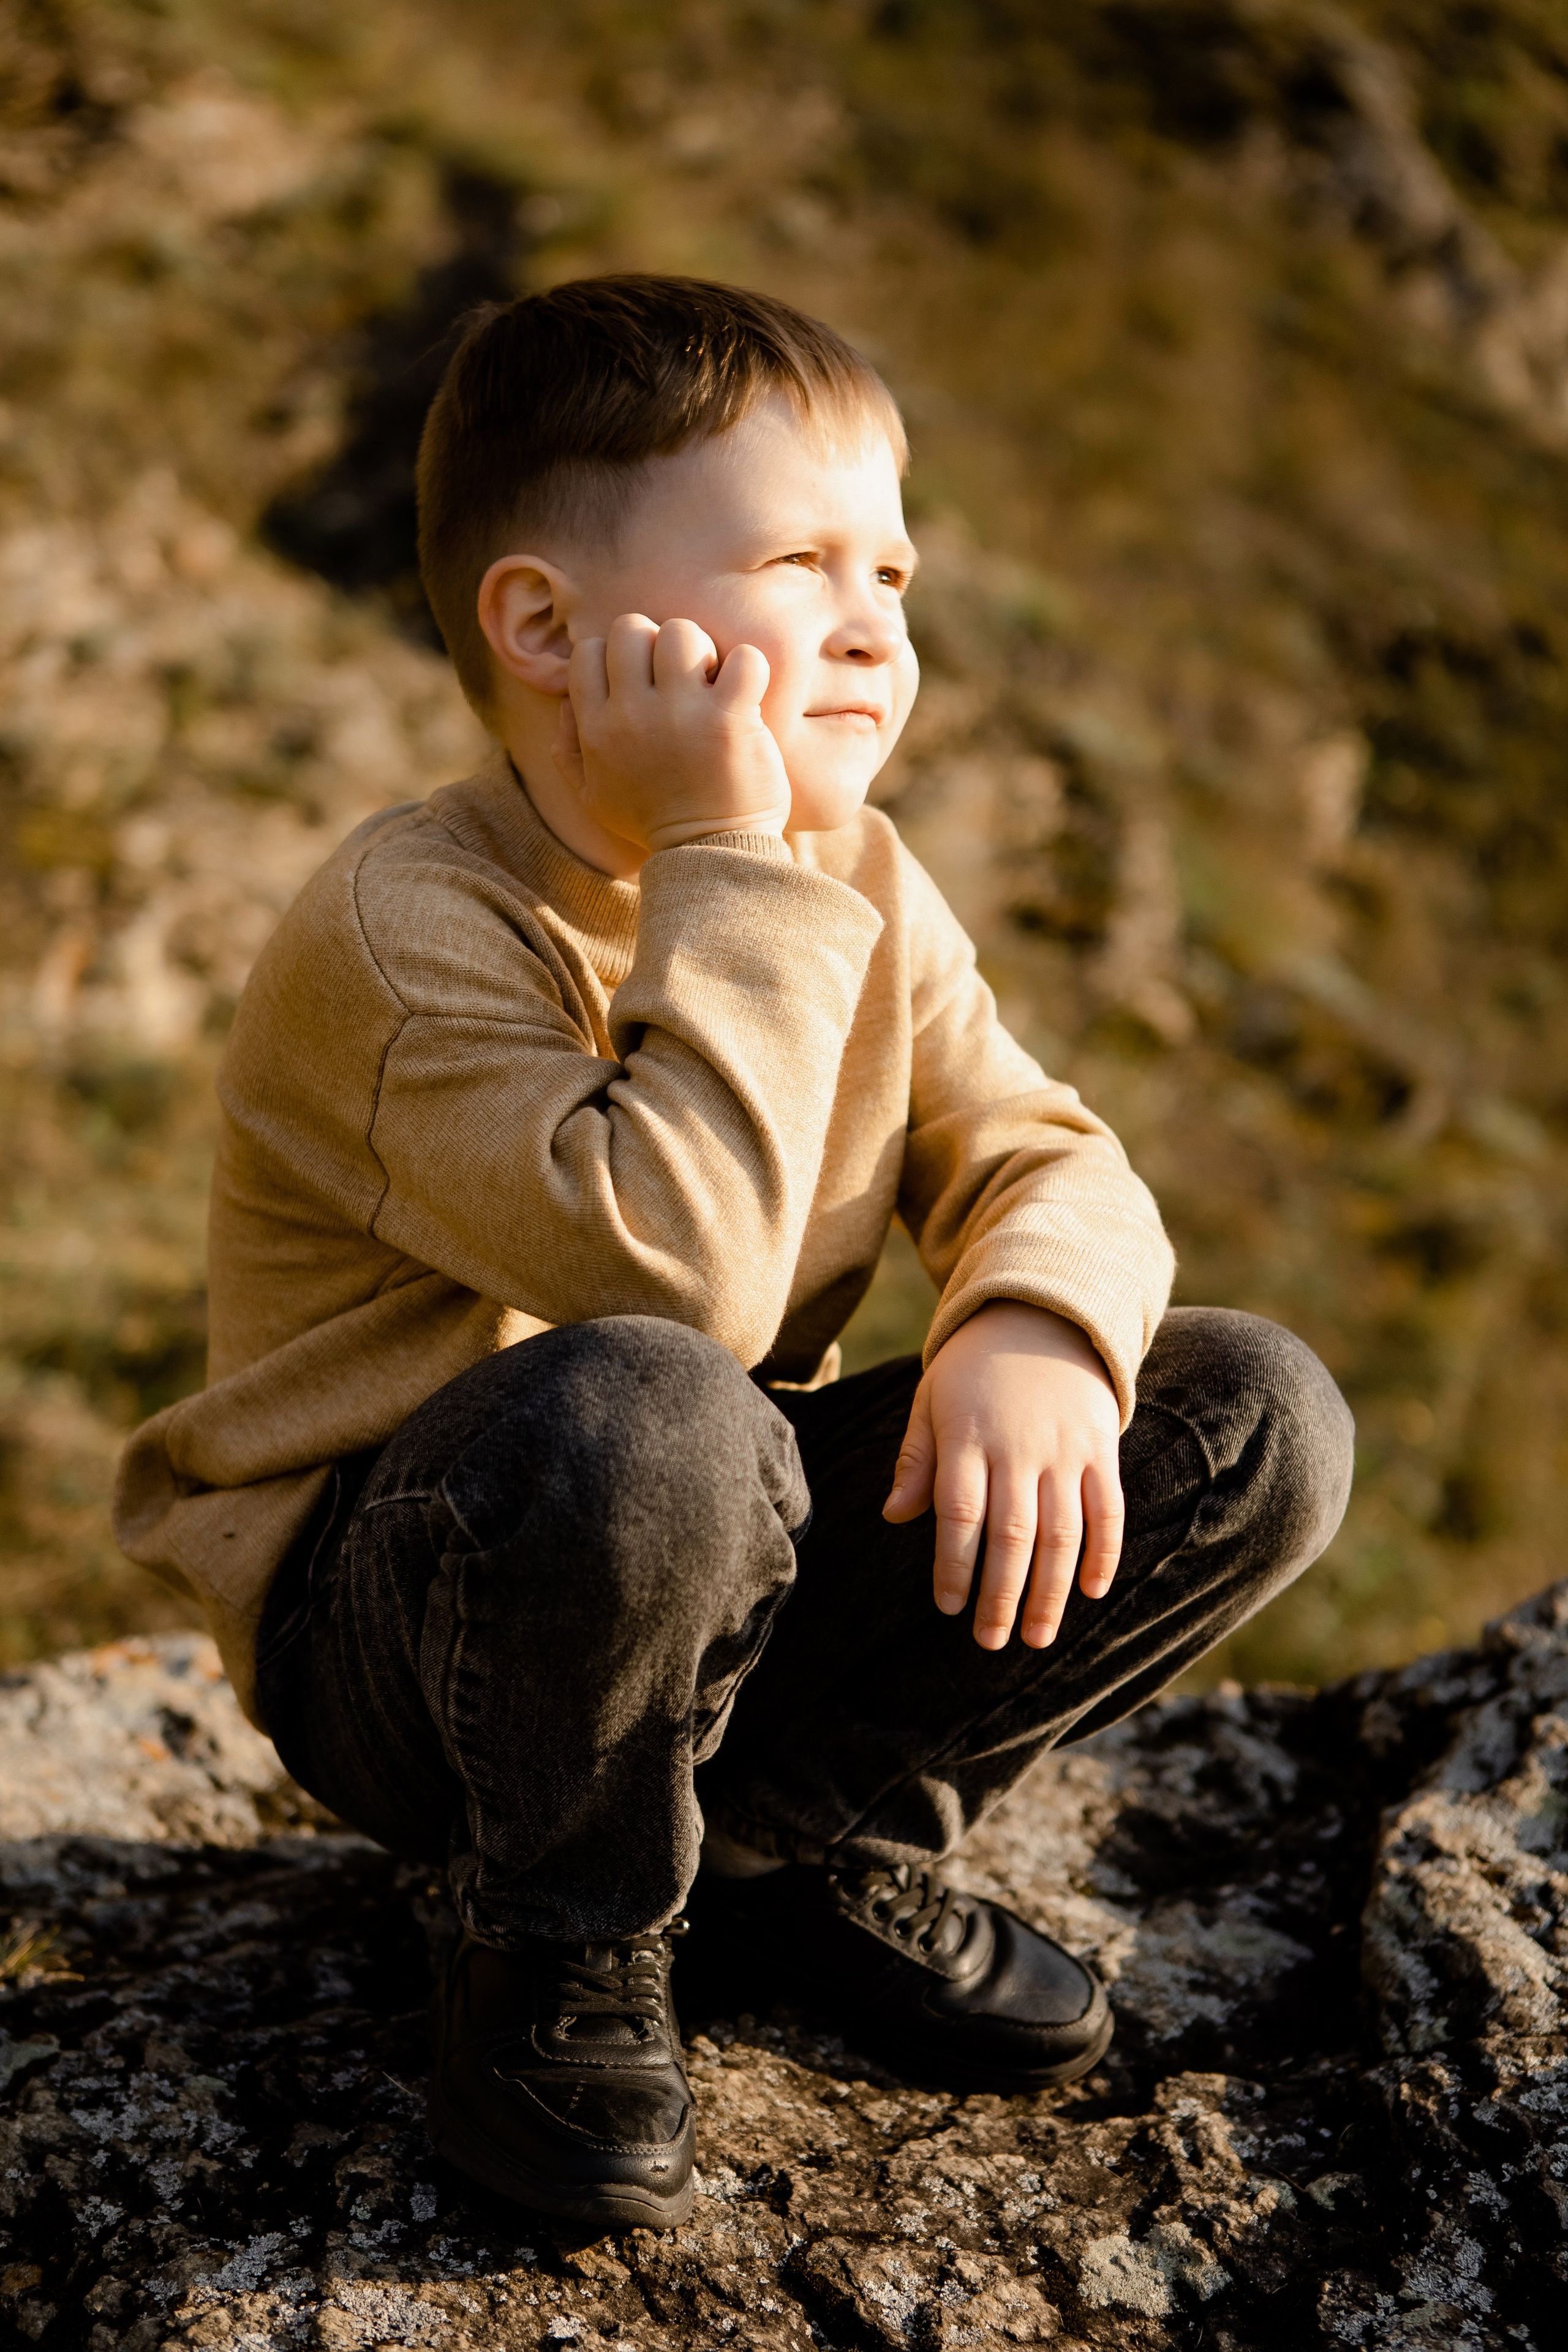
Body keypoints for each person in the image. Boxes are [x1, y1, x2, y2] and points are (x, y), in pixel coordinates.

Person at [113, 276, 1354, 2233]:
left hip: (707, 1554)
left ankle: (785, 1848)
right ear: (545, 628)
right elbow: (668, 1275)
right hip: (423, 1624)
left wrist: (1029, 1315)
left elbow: (1044, 1146)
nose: (877, 623)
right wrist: (737, 863)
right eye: (798, 560)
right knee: (652, 1399)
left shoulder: (856, 874)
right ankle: (553, 1930)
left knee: (1250, 1411)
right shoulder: (408, 930)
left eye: (896, 569)